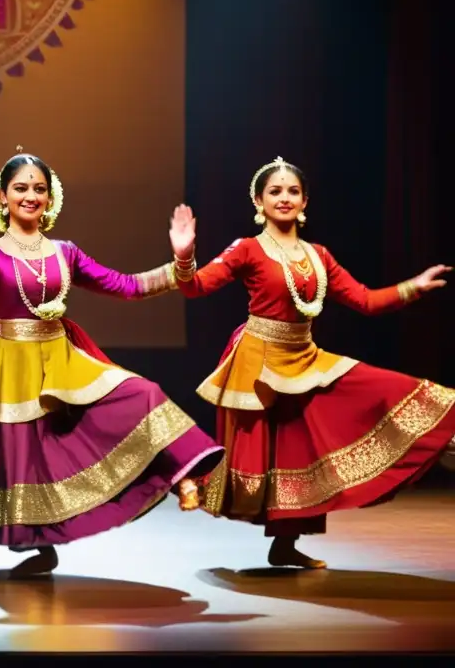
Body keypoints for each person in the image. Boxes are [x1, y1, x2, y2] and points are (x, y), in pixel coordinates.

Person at [0, 148, 224, 578]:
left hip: (63, 360)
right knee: (25, 461)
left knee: (142, 394)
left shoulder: (65, 252)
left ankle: (180, 472)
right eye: (21, 188)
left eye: (39, 189)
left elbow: (125, 286)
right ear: (3, 197)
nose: (30, 195)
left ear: (51, 199)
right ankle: (40, 547)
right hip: (14, 368)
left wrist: (181, 261)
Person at [168, 156, 455, 569]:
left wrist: (414, 286)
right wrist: (184, 255)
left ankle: (285, 545)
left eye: (293, 191)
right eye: (275, 191)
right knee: (263, 461)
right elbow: (195, 288)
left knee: (308, 446)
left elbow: (365, 300)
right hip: (260, 366)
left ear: (305, 201)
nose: (284, 198)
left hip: (305, 358)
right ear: (258, 200)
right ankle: (190, 479)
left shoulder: (318, 255)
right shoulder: (247, 249)